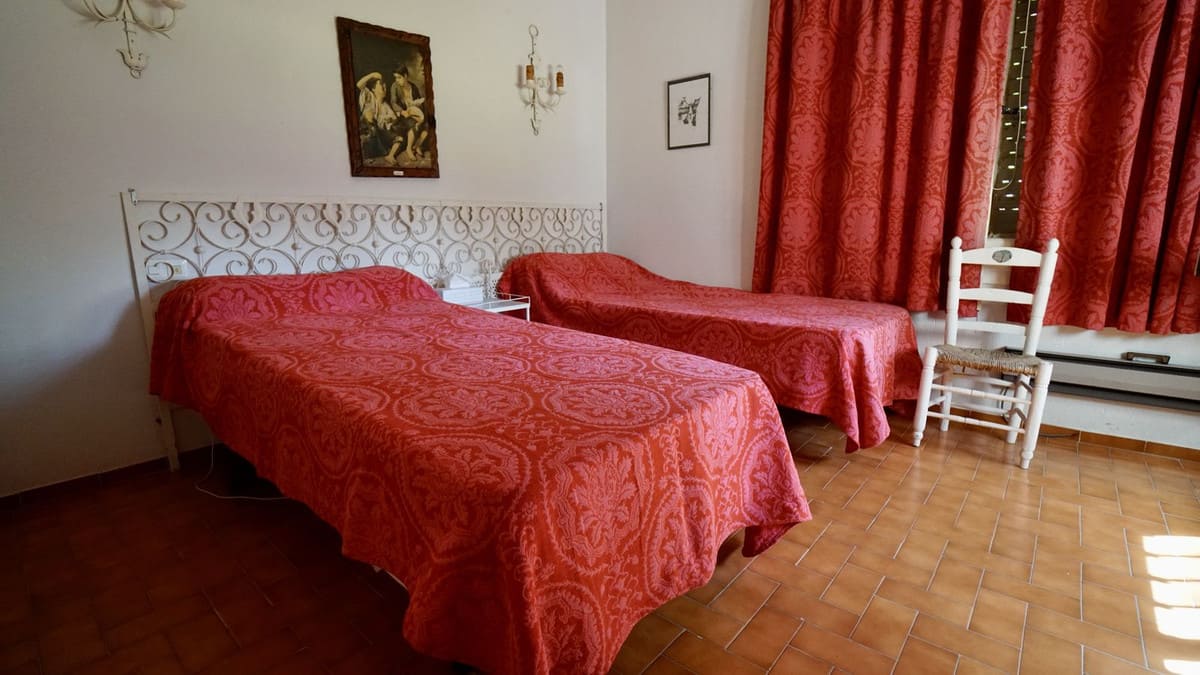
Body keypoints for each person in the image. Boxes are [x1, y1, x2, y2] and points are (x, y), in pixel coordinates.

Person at [356, 72, 405, 165]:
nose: (384, 88)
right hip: (368, 130)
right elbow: (359, 85)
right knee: (369, 116)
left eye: (385, 86)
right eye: (381, 85)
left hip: (380, 133)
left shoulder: (385, 105)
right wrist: (373, 74)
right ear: (373, 89)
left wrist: (390, 119)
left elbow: (394, 118)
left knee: (399, 138)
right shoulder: (369, 97)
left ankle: (390, 156)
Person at [388, 65, 429, 161]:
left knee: (427, 125)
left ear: (405, 76)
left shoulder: (413, 87)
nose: (397, 80)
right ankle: (409, 149)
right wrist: (402, 111)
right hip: (402, 115)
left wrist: (417, 106)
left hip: (414, 113)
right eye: (395, 78)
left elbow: (418, 101)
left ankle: (417, 145)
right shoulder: (395, 86)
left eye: (399, 77)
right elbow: (393, 103)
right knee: (412, 123)